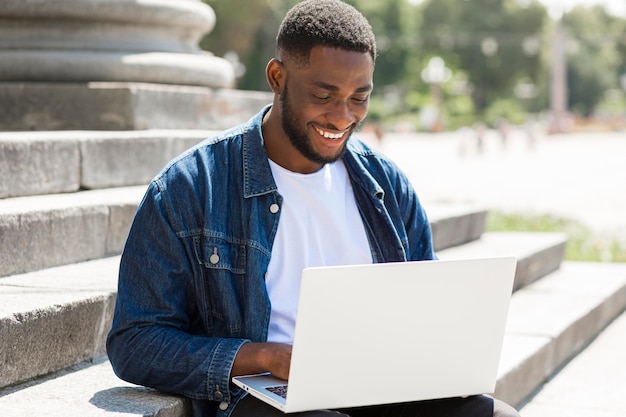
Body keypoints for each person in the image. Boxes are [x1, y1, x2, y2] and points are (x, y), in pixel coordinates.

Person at [106, 1, 521, 416]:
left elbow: (425, 316)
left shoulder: (386, 185)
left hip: (381, 387)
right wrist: (265, 357)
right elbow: (136, 341)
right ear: (277, 77)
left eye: (359, 98)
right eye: (323, 95)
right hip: (266, 400)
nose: (342, 117)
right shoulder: (192, 187)